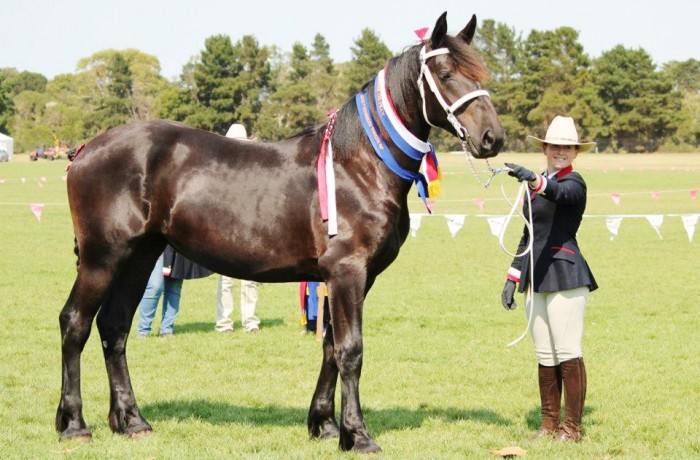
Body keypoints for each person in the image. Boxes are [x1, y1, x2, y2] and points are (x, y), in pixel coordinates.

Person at [500, 115, 598, 442]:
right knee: (545, 354)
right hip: (536, 275)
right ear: (545, 147)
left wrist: (534, 180)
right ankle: (548, 425)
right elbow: (526, 236)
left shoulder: (575, 182)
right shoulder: (536, 183)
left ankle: (572, 428)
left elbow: (558, 193)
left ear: (575, 152)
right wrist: (512, 277)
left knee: (568, 350)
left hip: (565, 273)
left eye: (567, 147)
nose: (561, 151)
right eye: (555, 145)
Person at [214, 123, 261, 334]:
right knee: (226, 281)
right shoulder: (220, 171)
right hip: (227, 230)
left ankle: (249, 321)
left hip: (250, 230)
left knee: (250, 279)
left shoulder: (254, 170)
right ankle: (224, 322)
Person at [137, 244, 212, 338]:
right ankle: (143, 330)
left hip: (179, 248)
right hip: (159, 246)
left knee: (174, 287)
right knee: (155, 287)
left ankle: (167, 329)